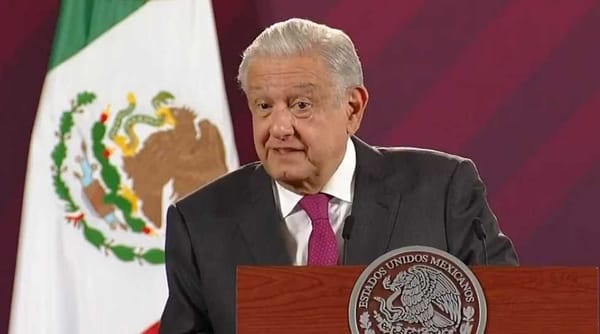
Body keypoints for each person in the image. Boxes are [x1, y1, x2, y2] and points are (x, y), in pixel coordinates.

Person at [159, 18, 518, 333]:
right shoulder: (200, 222)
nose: (279, 127)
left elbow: (512, 315)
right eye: (264, 106)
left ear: (353, 108)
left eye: (301, 105)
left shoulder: (441, 191)